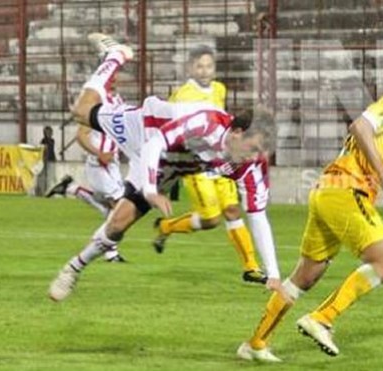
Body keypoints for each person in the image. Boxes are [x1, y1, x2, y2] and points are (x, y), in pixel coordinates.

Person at [236, 60, 383, 362]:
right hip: (345, 190)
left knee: (305, 276)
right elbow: (359, 125)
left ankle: (255, 343)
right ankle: (322, 318)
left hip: (328, 191)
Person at [47, 33, 283, 302]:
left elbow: (257, 215)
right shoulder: (205, 123)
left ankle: (72, 269)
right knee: (81, 111)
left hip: (166, 167)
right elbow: (155, 144)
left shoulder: (248, 163)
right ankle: (117, 56)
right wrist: (150, 191)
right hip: (146, 130)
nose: (255, 157)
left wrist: (273, 274)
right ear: (238, 132)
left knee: (117, 226)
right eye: (254, 148)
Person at [152, 45, 267, 285]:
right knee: (211, 220)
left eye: (209, 66)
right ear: (190, 68)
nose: (204, 71)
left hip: (221, 160)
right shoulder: (182, 96)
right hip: (196, 164)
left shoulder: (219, 89)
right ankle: (166, 227)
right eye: (199, 66)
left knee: (233, 210)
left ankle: (251, 268)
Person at [45, 124, 127, 262]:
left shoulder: (118, 108)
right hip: (100, 163)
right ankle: (109, 251)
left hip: (113, 162)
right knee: (119, 206)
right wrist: (98, 153)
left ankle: (70, 188)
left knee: (111, 208)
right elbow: (81, 134)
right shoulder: (93, 106)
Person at [38, 126, 58, 195]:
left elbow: (51, 150)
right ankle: (42, 191)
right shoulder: (43, 141)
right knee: (43, 177)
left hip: (51, 159)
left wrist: (54, 158)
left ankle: (49, 191)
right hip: (44, 160)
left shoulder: (52, 140)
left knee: (50, 177)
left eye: (50, 132)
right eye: (48, 132)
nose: (49, 133)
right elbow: (42, 150)